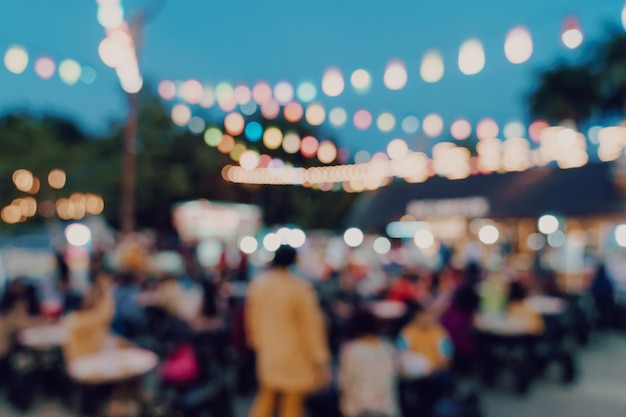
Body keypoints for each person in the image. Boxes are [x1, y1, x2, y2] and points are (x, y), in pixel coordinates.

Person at [246, 245, 330, 417]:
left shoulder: (259, 285)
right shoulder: (299, 288)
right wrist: (320, 356)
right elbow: (311, 326)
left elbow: (252, 321)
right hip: (295, 354)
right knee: (292, 404)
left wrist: (257, 343)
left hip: (269, 353)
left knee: (266, 397)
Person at [339, 309, 399, 417]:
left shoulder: (351, 350)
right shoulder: (388, 348)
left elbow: (345, 381)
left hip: (360, 407)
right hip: (386, 408)